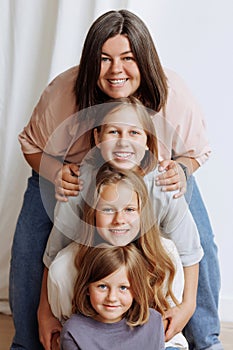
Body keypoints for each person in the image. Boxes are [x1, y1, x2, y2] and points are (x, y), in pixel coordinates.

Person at [10, 9, 221, 350]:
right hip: (71, 174)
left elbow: (196, 150)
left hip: (152, 173)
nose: (115, 70)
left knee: (197, 241)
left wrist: (181, 171)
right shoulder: (64, 91)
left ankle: (205, 339)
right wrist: (55, 173)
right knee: (31, 247)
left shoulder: (173, 93)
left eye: (127, 58)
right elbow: (32, 146)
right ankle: (27, 342)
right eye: (104, 59)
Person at [39, 96, 203, 348]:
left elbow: (190, 253)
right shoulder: (81, 183)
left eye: (134, 133)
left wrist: (187, 306)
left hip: (145, 260)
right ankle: (80, 334)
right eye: (114, 131)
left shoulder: (163, 183)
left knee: (169, 252)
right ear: (97, 138)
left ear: (148, 141)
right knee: (62, 265)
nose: (123, 141)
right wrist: (46, 313)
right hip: (95, 262)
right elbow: (53, 256)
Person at [45, 166, 190, 350]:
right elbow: (72, 327)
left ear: (142, 213)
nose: (119, 220)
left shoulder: (164, 255)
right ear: (93, 213)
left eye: (129, 209)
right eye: (107, 210)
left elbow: (168, 325)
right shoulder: (64, 268)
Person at [60, 243, 165, 350]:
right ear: (87, 288)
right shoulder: (74, 331)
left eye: (123, 288)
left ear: (136, 290)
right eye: (102, 286)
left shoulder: (153, 321)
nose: (112, 298)